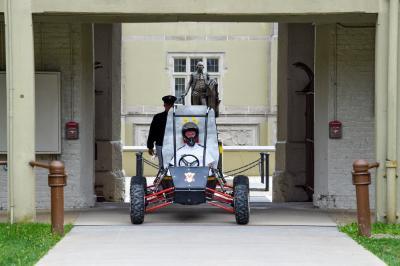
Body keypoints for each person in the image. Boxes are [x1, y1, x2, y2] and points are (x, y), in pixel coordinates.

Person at [147, 95, 177, 168]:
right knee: (163, 166)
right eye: (168, 105)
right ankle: (163, 179)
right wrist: (150, 146)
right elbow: (152, 132)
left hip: (176, 145)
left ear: (173, 106)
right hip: (161, 145)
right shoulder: (158, 117)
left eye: (171, 105)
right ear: (164, 105)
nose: (169, 107)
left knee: (176, 165)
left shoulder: (178, 117)